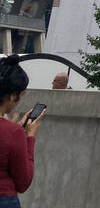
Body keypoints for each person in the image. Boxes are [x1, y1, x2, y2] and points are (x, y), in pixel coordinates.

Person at [0, 54, 45, 206]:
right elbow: (23, 183)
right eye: (21, 95)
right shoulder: (13, 132)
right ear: (13, 96)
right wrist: (30, 137)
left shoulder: (12, 131)